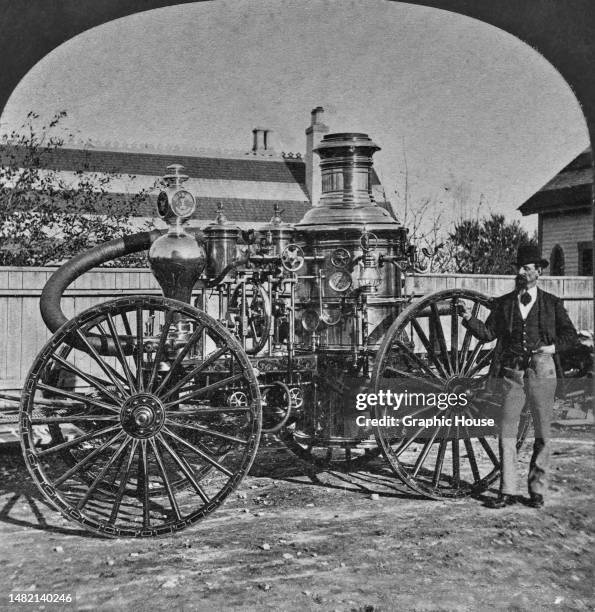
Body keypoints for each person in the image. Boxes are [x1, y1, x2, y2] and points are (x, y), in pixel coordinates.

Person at [459, 246, 577, 509]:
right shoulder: (505, 303)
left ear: (539, 271)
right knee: (506, 430)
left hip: (543, 370)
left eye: (527, 268)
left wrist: (552, 348)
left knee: (543, 432)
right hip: (512, 373)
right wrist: (468, 318)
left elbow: (571, 337)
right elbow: (489, 334)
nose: (521, 272)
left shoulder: (552, 304)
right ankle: (507, 490)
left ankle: (536, 489)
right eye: (519, 268)